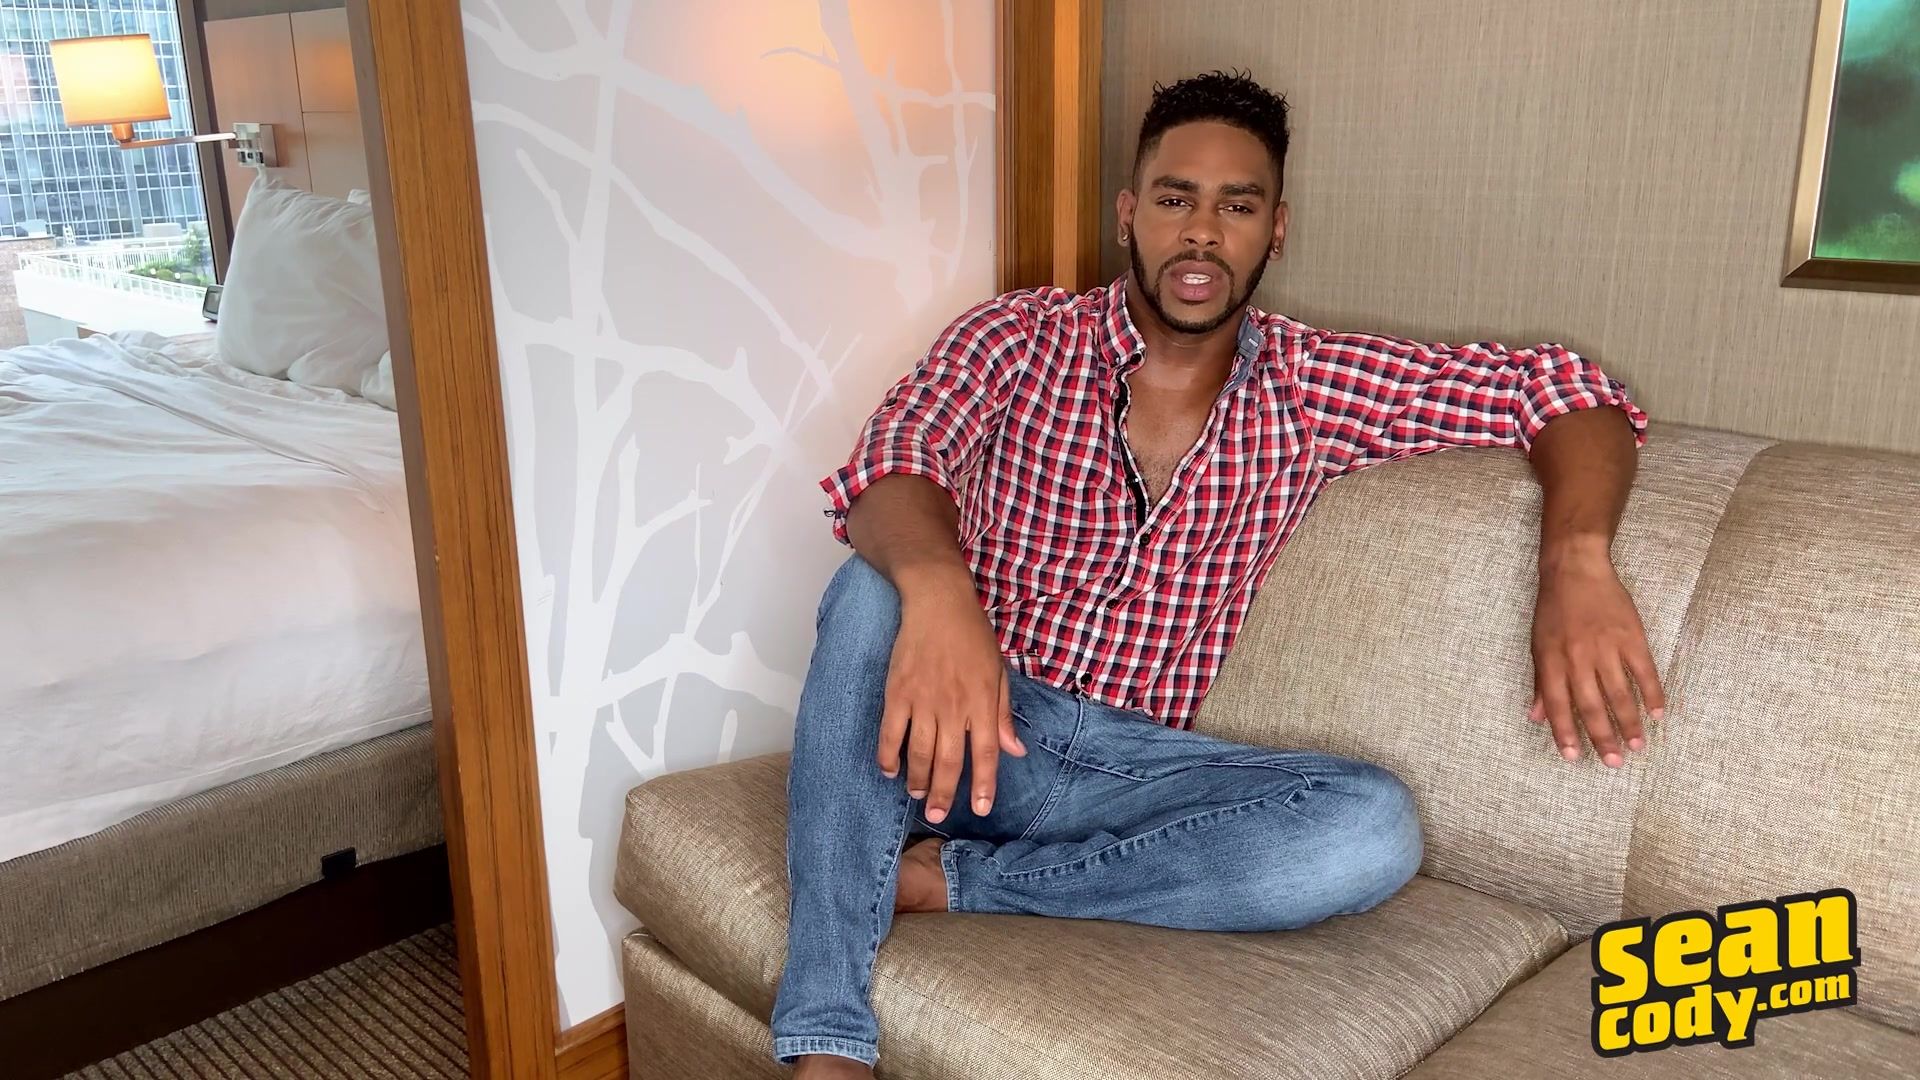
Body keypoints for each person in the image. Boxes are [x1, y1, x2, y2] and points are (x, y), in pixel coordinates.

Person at [773, 70, 1660, 1079]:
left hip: (1130, 773)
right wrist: (944, 600)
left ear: (1274, 230)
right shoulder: (1018, 337)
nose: (1201, 232)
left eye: (1237, 206)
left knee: (1369, 830)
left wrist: (1576, 562)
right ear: (1128, 214)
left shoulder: (1311, 383)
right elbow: (895, 462)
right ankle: (828, 1042)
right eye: (1175, 198)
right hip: (962, 715)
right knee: (870, 591)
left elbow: (1566, 389)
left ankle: (970, 884)